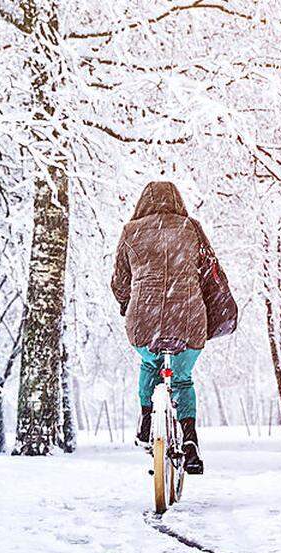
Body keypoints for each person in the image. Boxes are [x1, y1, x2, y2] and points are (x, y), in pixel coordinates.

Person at [110, 181, 223, 475]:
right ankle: (189, 438)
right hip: (188, 319)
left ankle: (147, 417)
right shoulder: (191, 228)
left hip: (143, 320)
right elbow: (210, 271)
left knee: (150, 363)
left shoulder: (130, 232)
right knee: (182, 378)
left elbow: (120, 282)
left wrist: (127, 304)